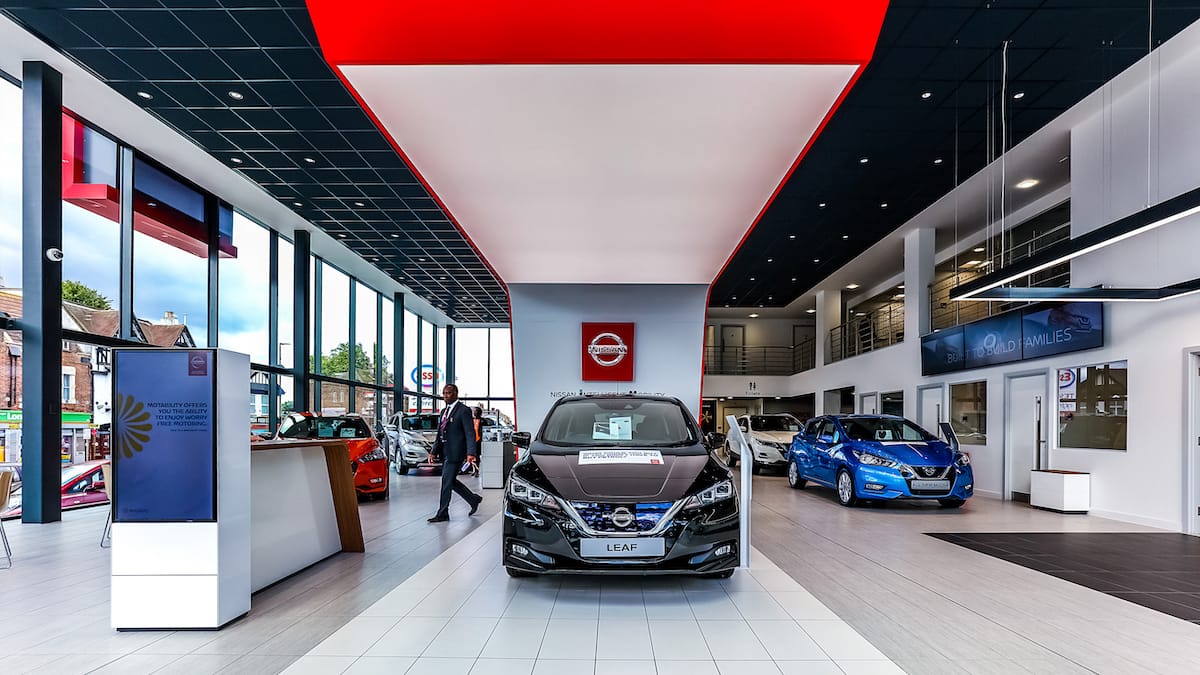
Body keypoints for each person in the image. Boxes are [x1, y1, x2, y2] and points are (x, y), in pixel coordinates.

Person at [427, 384, 482, 522]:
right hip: (446, 452)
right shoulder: (444, 411)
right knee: (450, 481)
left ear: (456, 393)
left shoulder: (463, 410)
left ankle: (443, 513)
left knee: (446, 481)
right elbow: (440, 433)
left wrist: (471, 453)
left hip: (457, 453)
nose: (446, 396)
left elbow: (470, 433)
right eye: (444, 393)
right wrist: (433, 451)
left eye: (449, 393)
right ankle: (473, 499)